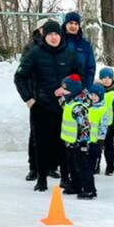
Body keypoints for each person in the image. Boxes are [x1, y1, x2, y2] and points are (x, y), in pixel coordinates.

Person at [14, 18, 80, 192]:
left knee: (64, 143)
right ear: (44, 35)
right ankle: (41, 178)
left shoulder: (70, 54)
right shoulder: (35, 53)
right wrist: (29, 99)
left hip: (65, 107)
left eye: (56, 33)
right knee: (41, 143)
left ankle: (65, 178)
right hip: (41, 106)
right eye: (50, 34)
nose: (53, 37)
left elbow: (78, 77)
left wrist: (71, 92)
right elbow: (20, 76)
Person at [59, 76, 97, 200]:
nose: (63, 92)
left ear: (74, 91)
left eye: (66, 90)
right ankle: (76, 186)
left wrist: (84, 143)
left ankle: (89, 189)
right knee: (72, 166)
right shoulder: (70, 102)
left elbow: (84, 126)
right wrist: (59, 96)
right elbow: (64, 105)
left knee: (82, 166)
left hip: (79, 143)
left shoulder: (78, 107)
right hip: (70, 142)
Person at [95, 67, 114, 175]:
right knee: (96, 147)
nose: (106, 80)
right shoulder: (96, 91)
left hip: (109, 126)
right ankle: (95, 165)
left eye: (109, 77)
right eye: (104, 78)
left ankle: (110, 165)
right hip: (96, 125)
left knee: (109, 147)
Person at [63, 10, 97, 89]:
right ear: (65, 24)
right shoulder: (58, 41)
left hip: (80, 87)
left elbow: (90, 68)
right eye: (71, 23)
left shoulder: (85, 45)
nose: (73, 26)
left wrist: (87, 87)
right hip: (60, 88)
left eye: (76, 24)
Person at [84, 85, 109, 192]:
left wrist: (101, 138)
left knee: (91, 164)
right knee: (85, 164)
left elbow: (103, 125)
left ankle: (90, 187)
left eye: (96, 95)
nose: (93, 97)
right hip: (86, 140)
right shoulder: (88, 108)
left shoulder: (103, 109)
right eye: (92, 95)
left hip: (95, 141)